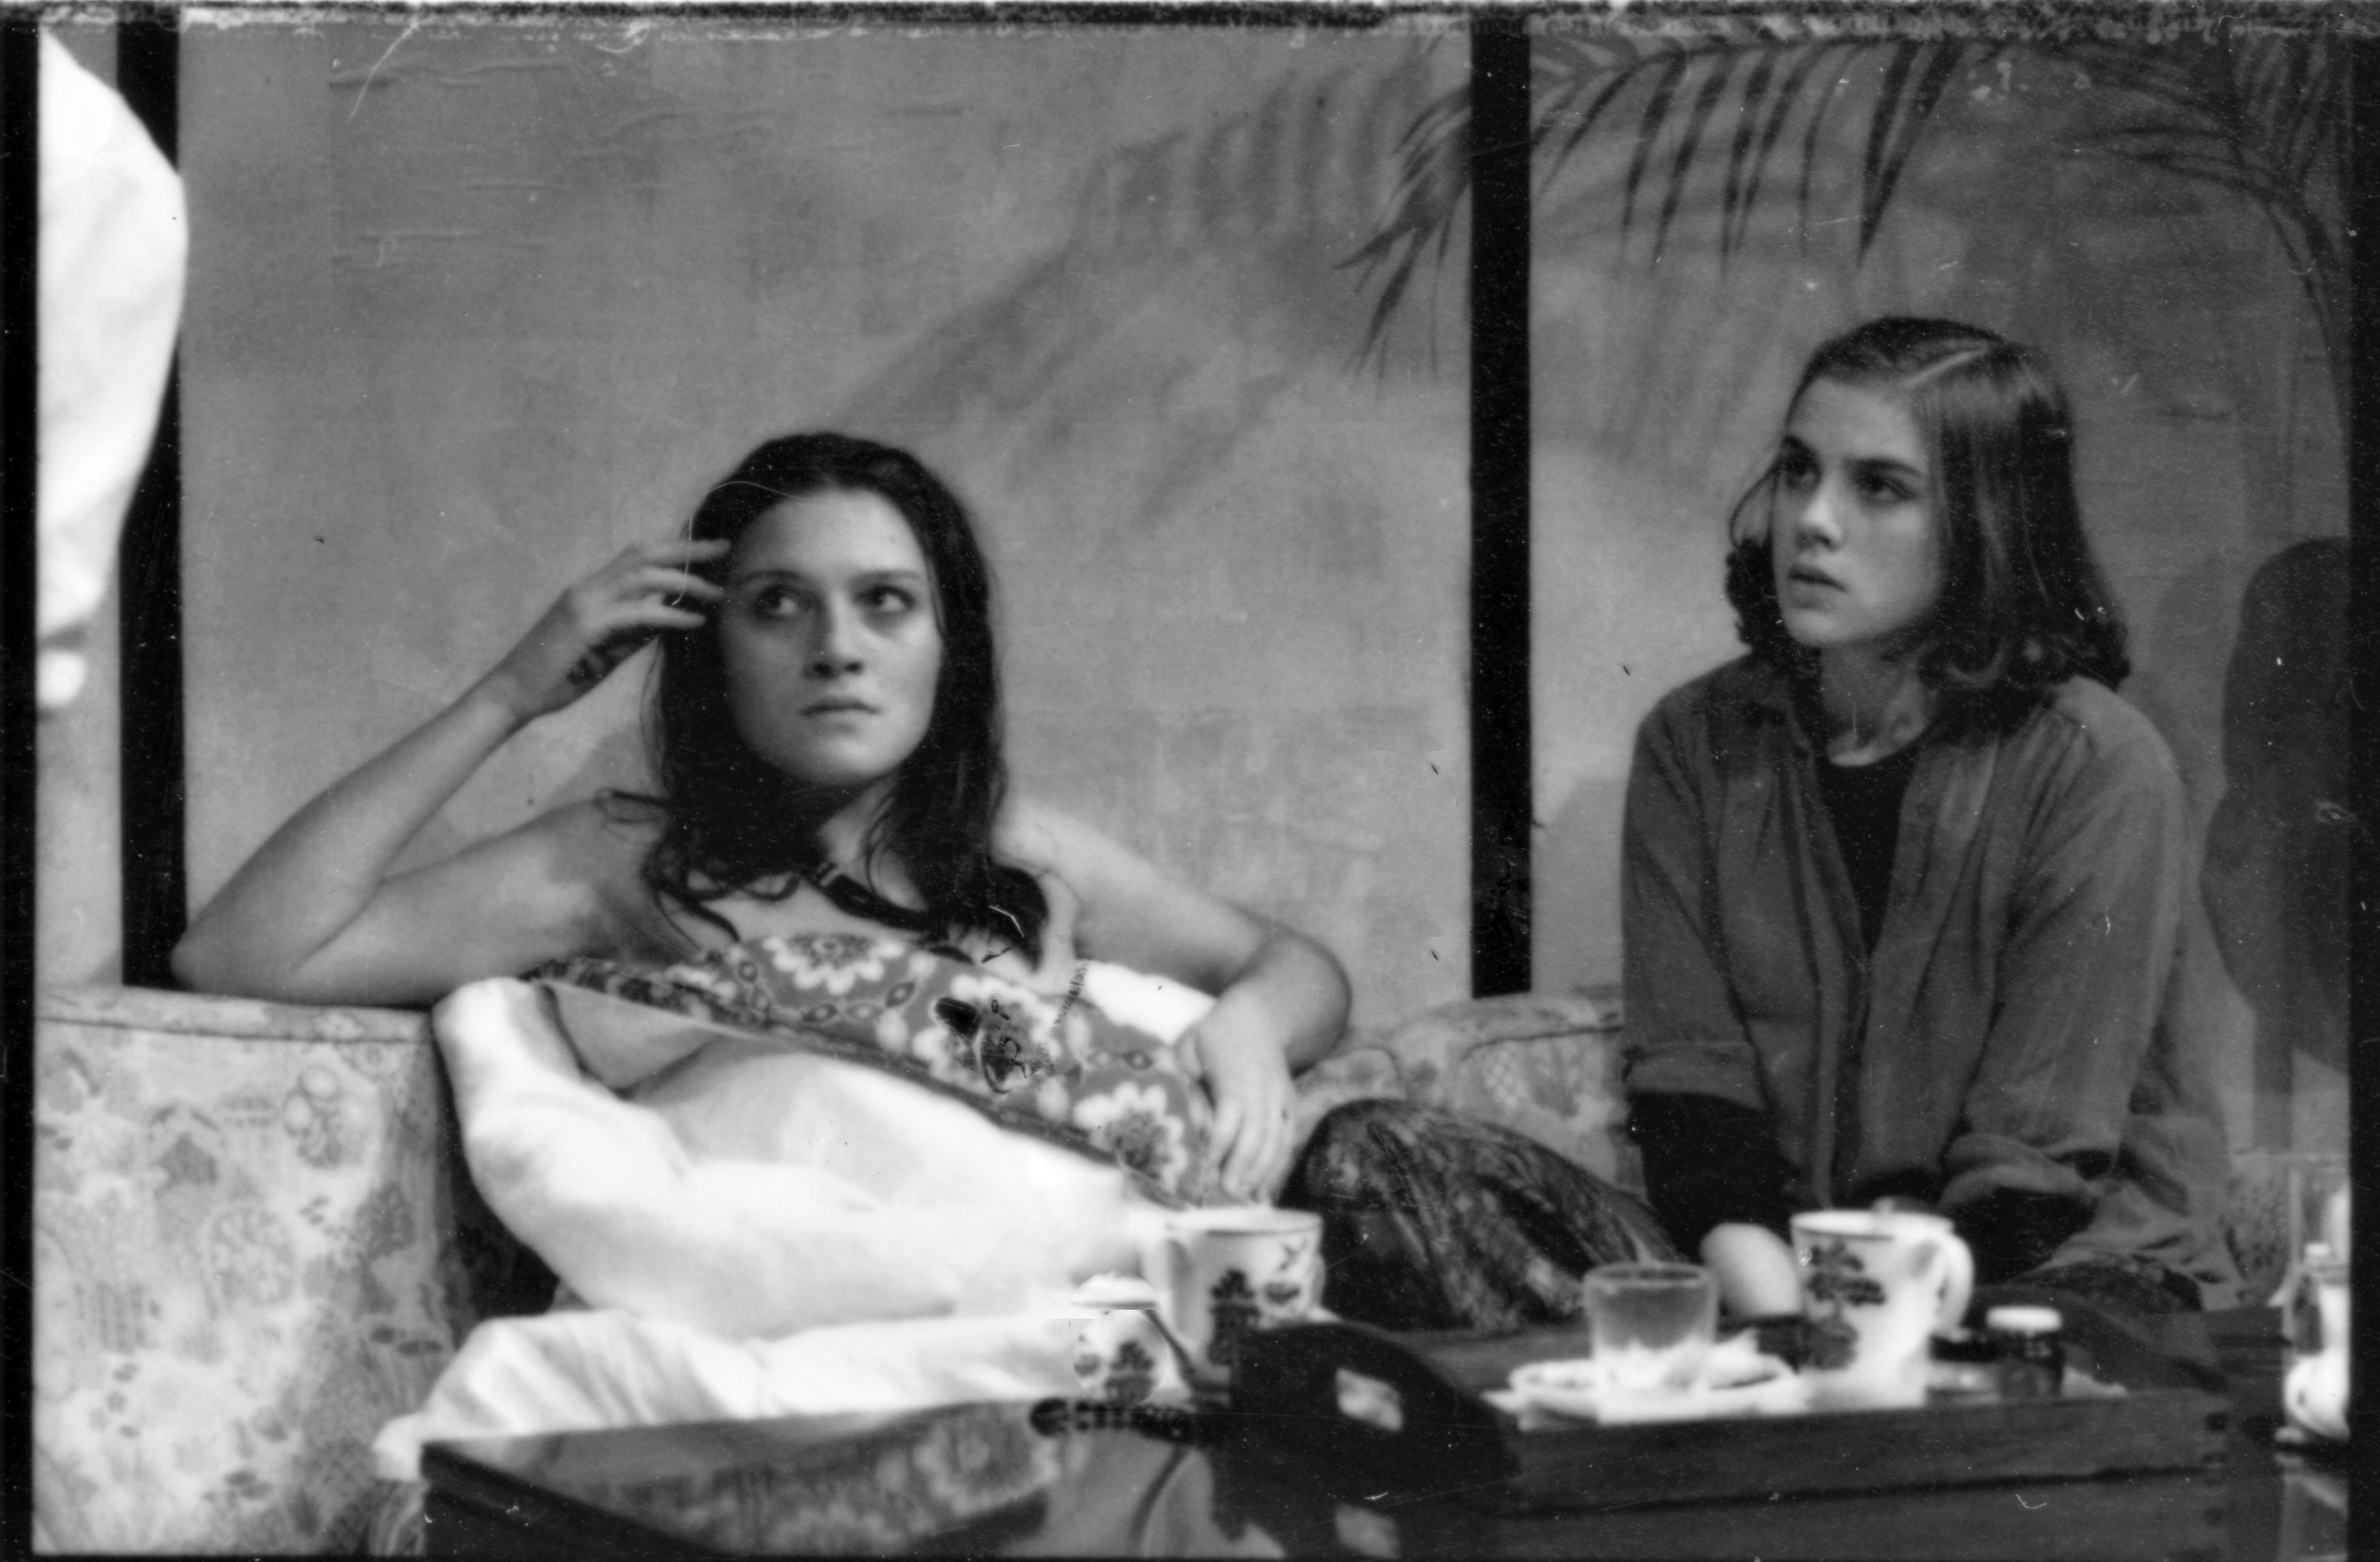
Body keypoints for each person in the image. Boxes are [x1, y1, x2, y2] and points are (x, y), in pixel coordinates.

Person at [173, 431, 1348, 1203]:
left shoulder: (1016, 849)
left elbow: (1294, 967)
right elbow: (239, 955)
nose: (836, 648)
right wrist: (508, 696)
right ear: (711, 648)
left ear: (949, 648)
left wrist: (1249, 1025)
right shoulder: (628, 859)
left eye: (885, 604)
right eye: (778, 605)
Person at [1622, 317, 2240, 1321]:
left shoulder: (2096, 766)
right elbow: (1693, 1096)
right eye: (1797, 470)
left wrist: (1855, 1340)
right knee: (1386, 1161)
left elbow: (2030, 1174)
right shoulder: (1693, 744)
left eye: (1879, 487)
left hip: (2044, 1267)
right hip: (1774, 1278)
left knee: (2047, 1342)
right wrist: (1788, 1326)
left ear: (1985, 525)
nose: (1812, 521)